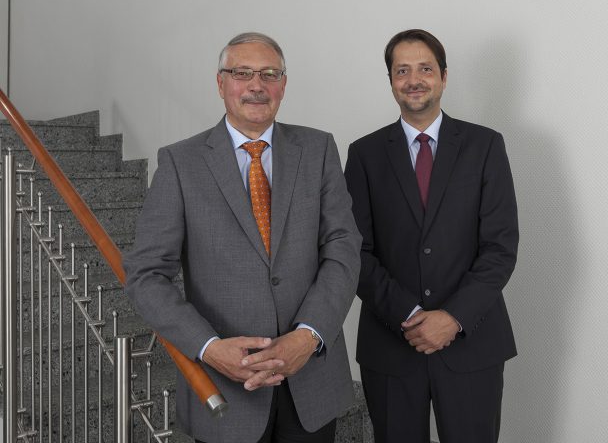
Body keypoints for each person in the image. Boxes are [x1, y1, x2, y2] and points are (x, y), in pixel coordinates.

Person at [124, 32, 361, 443]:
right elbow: (146, 274)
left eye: (269, 74)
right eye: (242, 73)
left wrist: (309, 336)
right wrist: (208, 347)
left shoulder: (318, 149)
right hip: (225, 387)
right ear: (221, 84)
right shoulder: (180, 162)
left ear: (283, 85)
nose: (256, 85)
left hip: (311, 381)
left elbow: (343, 248)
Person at [344, 29, 519, 443]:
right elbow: (354, 251)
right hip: (391, 346)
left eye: (425, 69)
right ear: (391, 80)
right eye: (402, 70)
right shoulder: (364, 154)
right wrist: (410, 315)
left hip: (472, 342)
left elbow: (500, 248)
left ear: (443, 76)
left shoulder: (485, 146)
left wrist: (452, 318)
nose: (414, 80)